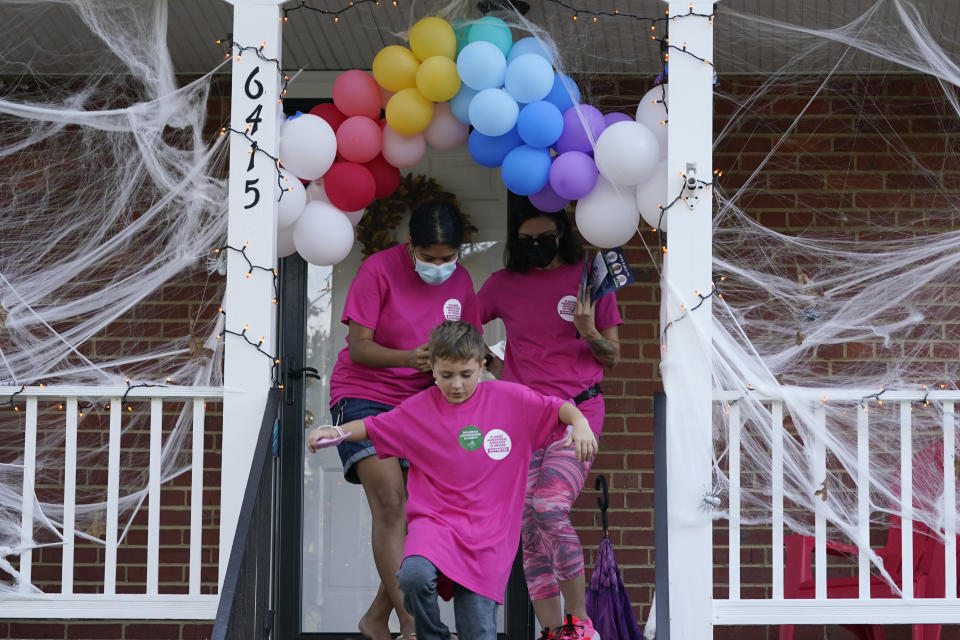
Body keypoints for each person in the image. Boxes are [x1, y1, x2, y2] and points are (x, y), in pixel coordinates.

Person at [308, 320, 598, 640]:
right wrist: (336, 431)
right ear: (432, 368)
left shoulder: (510, 400)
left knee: (477, 630)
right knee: (413, 576)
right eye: (446, 375)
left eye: (465, 374)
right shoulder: (420, 410)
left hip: (488, 536)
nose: (456, 384)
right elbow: (375, 426)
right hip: (435, 523)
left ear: (481, 366)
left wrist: (581, 423)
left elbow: (559, 409)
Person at [326, 201, 480, 640]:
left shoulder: (462, 281)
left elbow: (465, 347)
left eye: (447, 258)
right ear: (410, 245)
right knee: (392, 502)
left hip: (424, 405)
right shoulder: (378, 270)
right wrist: (408, 359)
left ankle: (377, 619)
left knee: (420, 517)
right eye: (429, 257)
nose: (438, 266)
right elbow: (359, 347)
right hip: (364, 396)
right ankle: (415, 627)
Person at [476, 201, 622, 640]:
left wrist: (589, 329)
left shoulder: (589, 278)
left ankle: (579, 622)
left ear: (562, 235)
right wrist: (492, 367)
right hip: (523, 418)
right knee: (527, 525)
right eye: (526, 242)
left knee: (549, 506)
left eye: (545, 239)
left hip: (578, 414)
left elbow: (612, 356)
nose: (536, 248)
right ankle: (552, 631)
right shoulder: (502, 285)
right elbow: (463, 329)